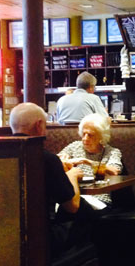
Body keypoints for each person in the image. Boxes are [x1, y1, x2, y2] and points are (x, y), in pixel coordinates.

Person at [9, 102, 86, 257]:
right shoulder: (46, 159)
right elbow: (72, 206)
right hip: (42, 239)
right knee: (88, 221)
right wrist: (72, 176)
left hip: (5, 237)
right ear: (39, 125)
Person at [58, 113, 125, 208]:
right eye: (83, 134)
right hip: (75, 196)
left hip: (99, 200)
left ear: (101, 137)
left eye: (90, 135)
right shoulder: (74, 146)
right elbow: (56, 161)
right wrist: (63, 160)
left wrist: (88, 162)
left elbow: (114, 171)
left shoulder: (111, 152)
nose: (85, 138)